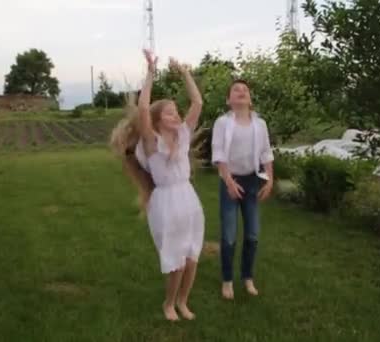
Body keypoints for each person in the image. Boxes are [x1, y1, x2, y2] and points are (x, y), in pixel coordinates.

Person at [110, 50, 204, 321]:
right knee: (175, 259)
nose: (177, 116)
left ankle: (184, 302)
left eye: (177, 111)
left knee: (191, 256)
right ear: (159, 119)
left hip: (188, 198)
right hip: (166, 203)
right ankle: (169, 304)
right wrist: (151, 71)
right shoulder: (152, 143)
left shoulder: (183, 136)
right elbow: (142, 108)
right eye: (171, 113)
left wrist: (185, 72)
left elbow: (197, 102)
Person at [211, 79, 274, 300]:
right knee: (228, 236)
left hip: (252, 182)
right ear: (229, 100)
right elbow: (219, 154)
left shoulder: (260, 124)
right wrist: (228, 181)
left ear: (250, 99)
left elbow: (266, 153)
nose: (241, 92)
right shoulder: (222, 123)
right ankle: (227, 280)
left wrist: (270, 180)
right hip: (230, 181)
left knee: (253, 235)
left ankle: (247, 277)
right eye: (236, 90)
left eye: (245, 90)